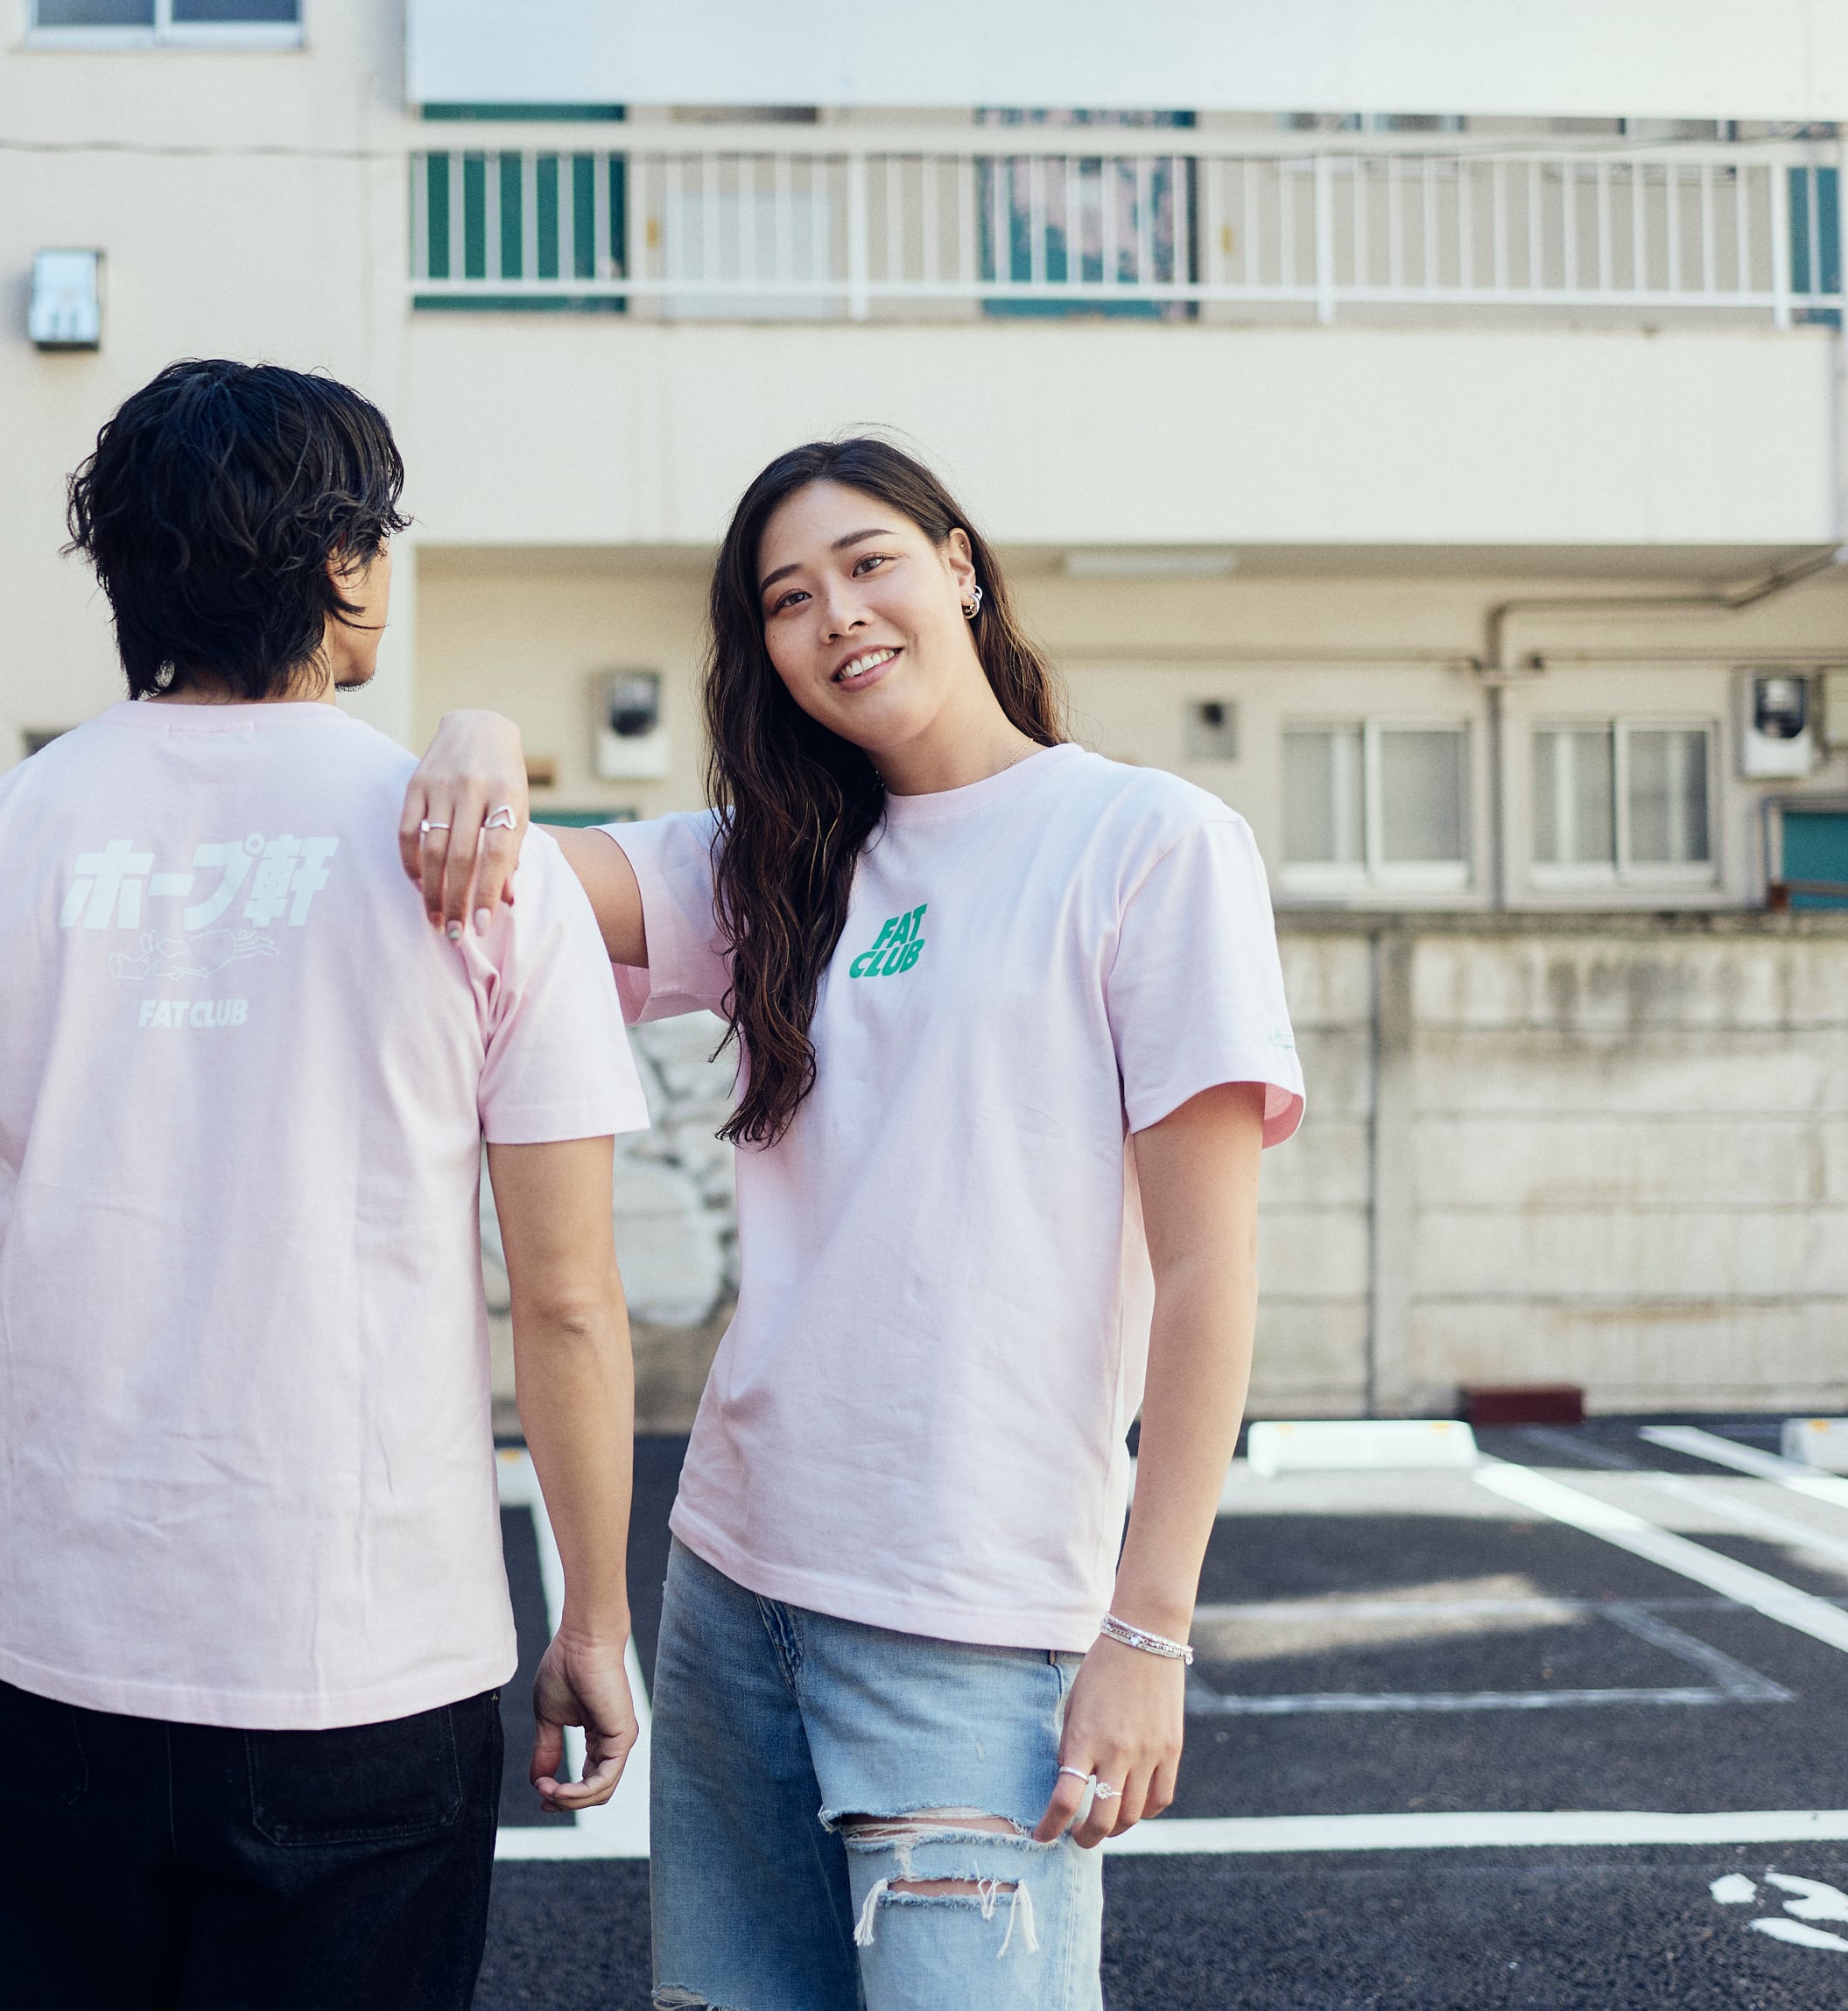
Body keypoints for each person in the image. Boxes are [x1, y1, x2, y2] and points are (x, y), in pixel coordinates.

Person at [400, 437, 1301, 2009]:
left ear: (959, 566)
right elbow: (512, 878)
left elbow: (1207, 1265)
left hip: (974, 1610)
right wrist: (476, 731)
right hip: (735, 1588)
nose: (836, 617)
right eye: (786, 599)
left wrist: (1148, 1632)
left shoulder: (1148, 843)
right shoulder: (774, 865)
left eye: (868, 563)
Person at [0, 359, 649, 2011]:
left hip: (55, 1659)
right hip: (369, 1659)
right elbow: (566, 1299)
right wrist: (594, 1620)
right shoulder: (479, 865)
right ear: (339, 566)